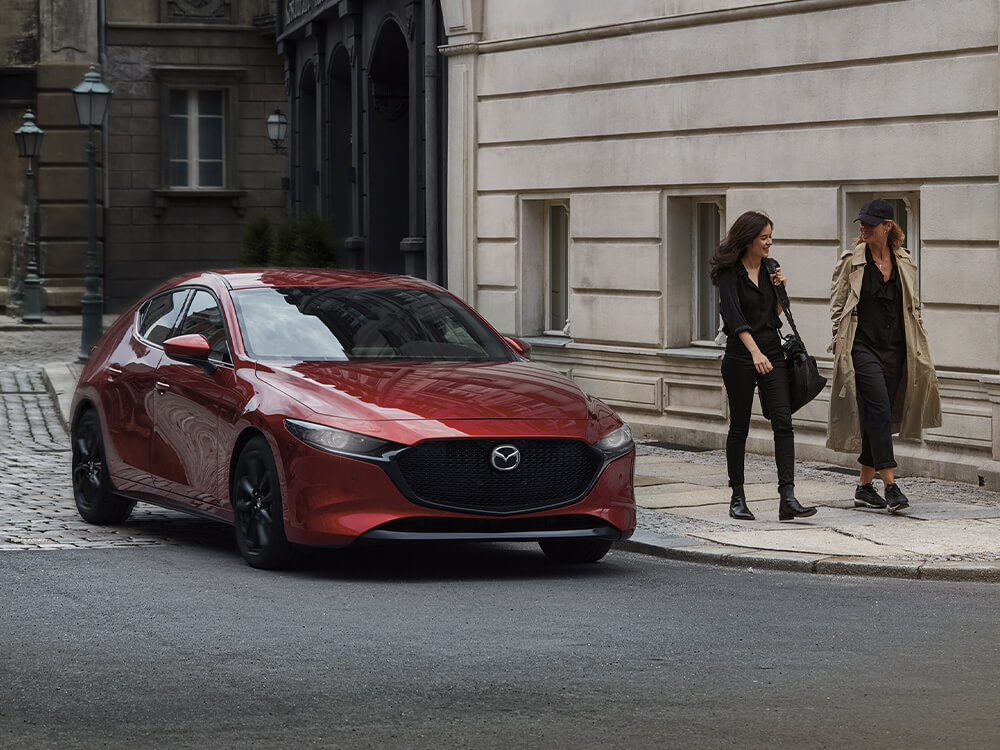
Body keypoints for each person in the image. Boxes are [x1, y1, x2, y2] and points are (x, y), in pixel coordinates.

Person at [827, 199, 942, 512]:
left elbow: (912, 306)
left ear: (888, 226)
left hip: (896, 349)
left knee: (878, 416)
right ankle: (892, 485)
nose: (863, 227)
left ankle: (864, 486)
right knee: (878, 407)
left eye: (870, 223)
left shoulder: (904, 261)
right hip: (862, 347)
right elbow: (838, 307)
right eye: (861, 223)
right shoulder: (852, 260)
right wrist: (840, 342)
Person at [711, 211, 817, 522]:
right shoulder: (729, 273)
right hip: (742, 354)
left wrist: (782, 290)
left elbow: (773, 315)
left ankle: (787, 498)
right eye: (764, 237)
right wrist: (755, 353)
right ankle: (737, 498)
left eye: (771, 236)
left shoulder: (771, 267)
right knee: (739, 427)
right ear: (749, 240)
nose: (769, 242)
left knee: (783, 422)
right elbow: (735, 317)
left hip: (772, 349)